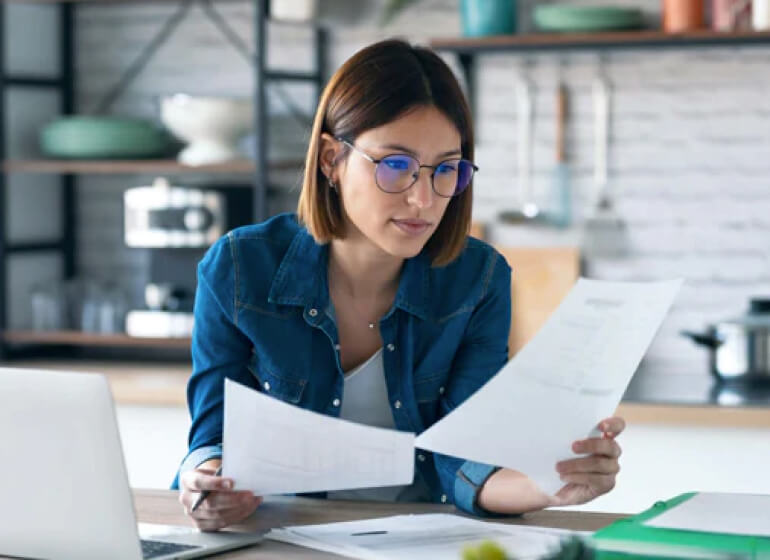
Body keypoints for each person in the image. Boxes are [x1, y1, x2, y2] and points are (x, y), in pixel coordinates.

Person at [174, 39, 625, 531]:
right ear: (330, 160)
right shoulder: (241, 267)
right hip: (285, 536)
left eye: (446, 170)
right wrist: (209, 486)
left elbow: (466, 461)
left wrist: (551, 484)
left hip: (419, 539)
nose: (424, 199)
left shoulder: (479, 279)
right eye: (396, 165)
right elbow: (213, 440)